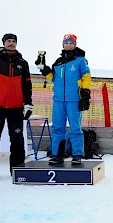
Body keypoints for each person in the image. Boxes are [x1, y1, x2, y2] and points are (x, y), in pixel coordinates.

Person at [0, 33, 33, 181]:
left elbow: (27, 85)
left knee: (17, 140)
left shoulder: (23, 63)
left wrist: (28, 104)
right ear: (4, 43)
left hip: (16, 108)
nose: (11, 43)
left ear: (16, 43)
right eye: (8, 41)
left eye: (13, 41)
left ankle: (17, 170)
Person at [36, 34, 91, 165]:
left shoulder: (80, 60)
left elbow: (86, 77)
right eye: (66, 43)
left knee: (75, 128)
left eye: (71, 43)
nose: (68, 45)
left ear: (75, 45)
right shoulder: (58, 62)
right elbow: (52, 77)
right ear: (63, 45)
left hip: (73, 99)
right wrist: (43, 69)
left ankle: (77, 154)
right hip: (59, 100)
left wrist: (85, 94)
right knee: (57, 128)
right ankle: (57, 154)